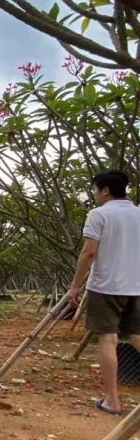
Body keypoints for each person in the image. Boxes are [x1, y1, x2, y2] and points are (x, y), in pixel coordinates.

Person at [69, 170, 140, 415]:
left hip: (106, 286)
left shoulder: (99, 215)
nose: (94, 194)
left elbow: (88, 252)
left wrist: (75, 285)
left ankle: (112, 400)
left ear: (106, 190)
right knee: (135, 335)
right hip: (136, 286)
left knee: (108, 340)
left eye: (95, 189)